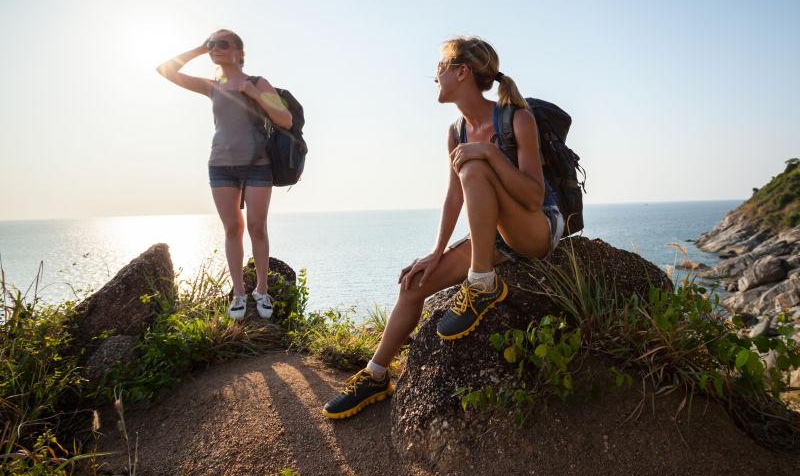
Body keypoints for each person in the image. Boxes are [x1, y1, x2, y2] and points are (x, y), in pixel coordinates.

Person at [323, 36, 564, 419]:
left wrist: (487, 154)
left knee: (474, 165)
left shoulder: (516, 117)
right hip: (496, 237)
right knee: (414, 283)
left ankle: (482, 284)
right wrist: (436, 253)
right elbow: (455, 197)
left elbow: (534, 196)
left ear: (461, 72)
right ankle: (375, 375)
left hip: (535, 228)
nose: (435, 74)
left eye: (441, 66)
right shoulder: (457, 132)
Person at [156, 29, 293, 320]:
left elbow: (285, 119)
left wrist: (255, 94)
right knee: (232, 229)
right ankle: (239, 294)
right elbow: (165, 70)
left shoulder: (258, 82)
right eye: (212, 44)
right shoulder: (212, 85)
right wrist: (198, 49)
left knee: (257, 227)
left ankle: (262, 290)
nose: (215, 48)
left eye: (222, 44)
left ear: (239, 52)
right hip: (221, 165)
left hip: (258, 165)